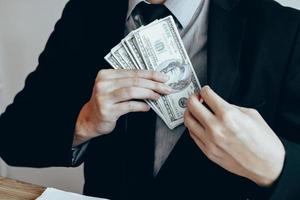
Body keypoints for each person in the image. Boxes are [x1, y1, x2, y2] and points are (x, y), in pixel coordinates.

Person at [1, 0, 300, 199]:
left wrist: (275, 167)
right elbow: (13, 139)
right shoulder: (87, 11)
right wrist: (84, 121)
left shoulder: (286, 30)